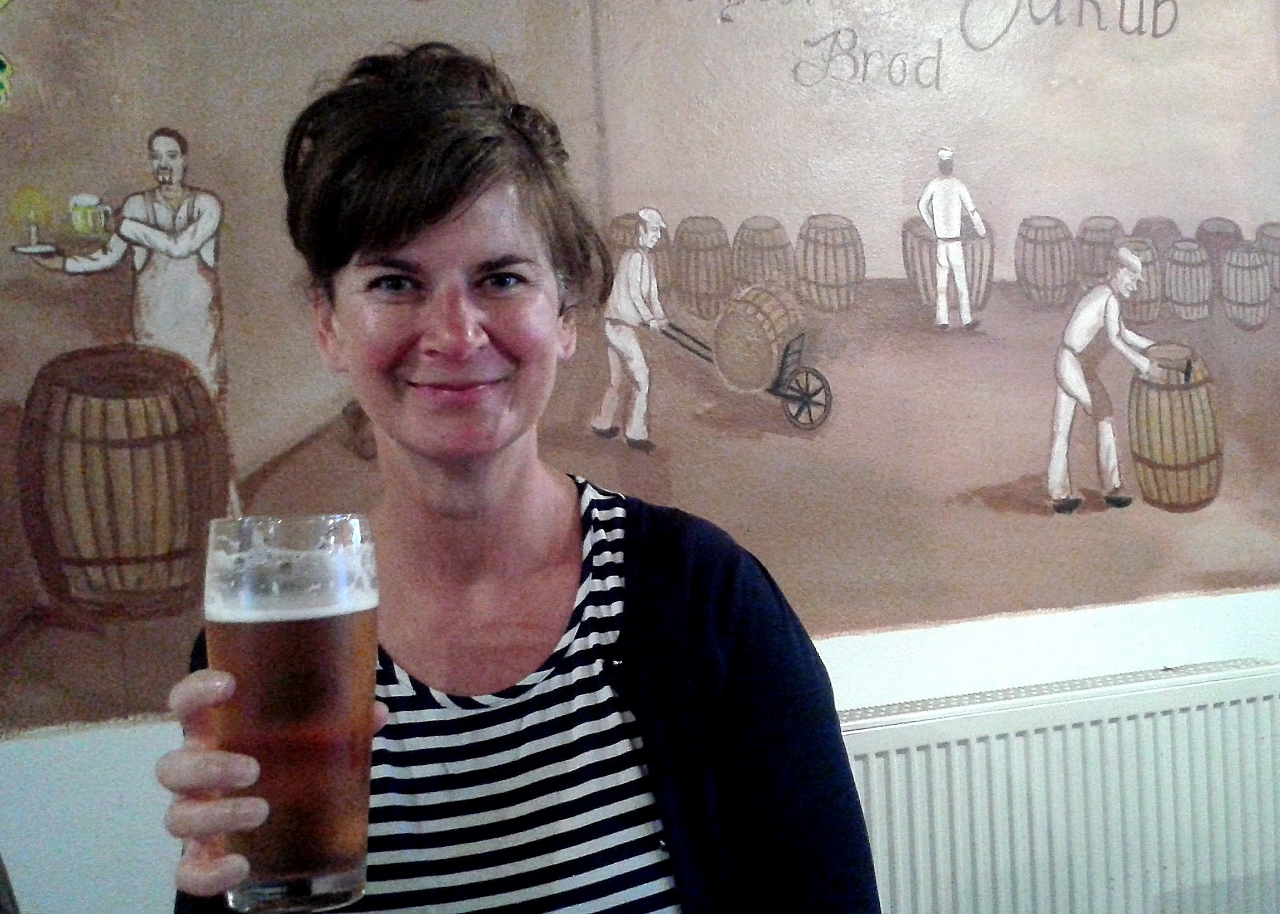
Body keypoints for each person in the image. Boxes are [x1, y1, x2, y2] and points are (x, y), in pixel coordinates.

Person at [156, 43, 880, 914]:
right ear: (328, 324)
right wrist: (216, 883)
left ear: (566, 315)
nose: (455, 334)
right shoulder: (275, 650)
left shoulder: (705, 602)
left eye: (501, 278)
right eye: (395, 282)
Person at [35, 128, 226, 408]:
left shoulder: (207, 205)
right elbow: (109, 256)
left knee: (203, 402)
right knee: (156, 404)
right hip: (152, 325)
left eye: (171, 156)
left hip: (198, 328)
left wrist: (124, 226)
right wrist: (63, 263)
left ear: (184, 160)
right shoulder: (136, 205)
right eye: (156, 157)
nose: (163, 164)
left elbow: (179, 247)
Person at [1047, 246, 1159, 514]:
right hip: (1074, 364)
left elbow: (1124, 333)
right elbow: (1116, 339)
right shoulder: (1109, 299)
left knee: (1063, 428)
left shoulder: (1103, 294)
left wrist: (1154, 347)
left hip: (1071, 361)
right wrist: (1144, 363)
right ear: (1119, 271)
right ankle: (1111, 488)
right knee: (1102, 416)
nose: (1135, 285)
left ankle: (1059, 492)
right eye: (1132, 277)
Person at [590, 206, 668, 451]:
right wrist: (649, 318)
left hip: (616, 325)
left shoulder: (646, 260)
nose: (657, 236)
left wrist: (660, 317)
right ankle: (635, 433)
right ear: (640, 231)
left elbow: (652, 294)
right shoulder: (633, 258)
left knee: (616, 379)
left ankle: (602, 423)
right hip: (619, 326)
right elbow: (634, 294)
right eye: (653, 230)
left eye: (658, 231)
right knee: (642, 379)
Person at [916, 146, 986, 330]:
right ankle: (964, 320)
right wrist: (981, 231)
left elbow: (922, 206)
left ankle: (945, 320)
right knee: (958, 281)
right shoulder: (957, 185)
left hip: (944, 242)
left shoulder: (935, 185)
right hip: (953, 242)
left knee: (944, 282)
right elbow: (971, 210)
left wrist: (933, 225)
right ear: (950, 166)